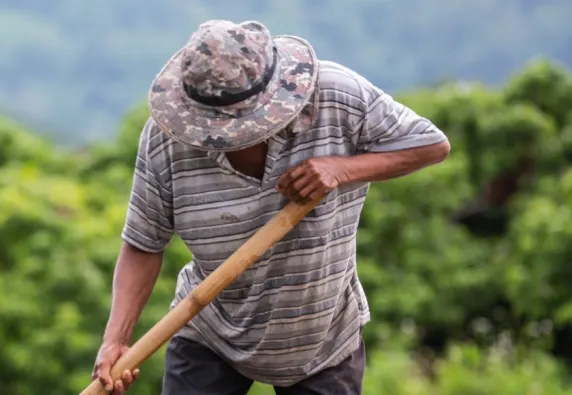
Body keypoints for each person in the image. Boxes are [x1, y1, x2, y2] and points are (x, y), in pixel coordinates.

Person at [91, 19, 451, 395]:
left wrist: (341, 168)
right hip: (210, 326)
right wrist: (115, 339)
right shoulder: (166, 140)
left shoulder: (335, 95)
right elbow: (143, 242)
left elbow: (430, 145)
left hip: (322, 338)